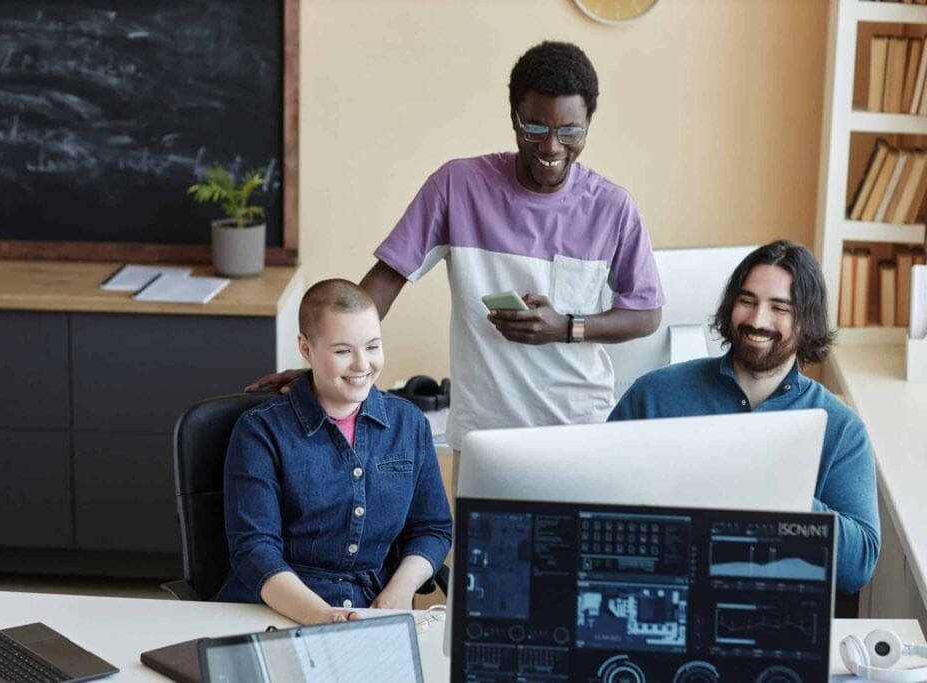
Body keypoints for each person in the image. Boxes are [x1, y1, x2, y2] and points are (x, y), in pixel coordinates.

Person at [249, 41, 664, 451]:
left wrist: (568, 327)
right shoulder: (458, 187)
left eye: (570, 131)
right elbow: (383, 284)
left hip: (579, 430)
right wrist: (323, 364)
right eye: (535, 128)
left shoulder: (612, 207)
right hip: (483, 431)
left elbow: (646, 314)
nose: (552, 147)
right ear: (514, 119)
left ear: (588, 121)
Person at [608, 240, 880, 594]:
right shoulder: (654, 395)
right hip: (662, 597)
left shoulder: (841, 428)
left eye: (780, 308)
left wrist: (780, 485)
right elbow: (594, 505)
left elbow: (855, 570)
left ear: (806, 321)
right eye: (747, 301)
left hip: (774, 616)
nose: (757, 320)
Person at [215, 279, 452, 624]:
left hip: (375, 608)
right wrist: (322, 616)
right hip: (279, 609)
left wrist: (398, 593)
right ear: (306, 348)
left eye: (372, 347)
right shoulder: (260, 430)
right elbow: (254, 550)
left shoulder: (409, 423)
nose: (362, 365)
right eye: (343, 351)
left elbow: (432, 528)